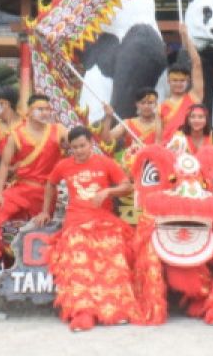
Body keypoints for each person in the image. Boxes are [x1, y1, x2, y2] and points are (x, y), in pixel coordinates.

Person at [32, 126, 136, 332]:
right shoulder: (63, 165)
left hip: (104, 221)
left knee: (113, 257)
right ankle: (82, 313)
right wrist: (46, 211)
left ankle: (115, 309)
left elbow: (127, 186)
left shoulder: (105, 163)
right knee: (80, 264)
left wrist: (108, 191)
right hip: (76, 223)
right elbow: (50, 185)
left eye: (82, 146)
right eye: (75, 147)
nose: (79, 150)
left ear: (91, 144)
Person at [0, 94, 66, 275]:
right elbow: (4, 165)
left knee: (45, 229)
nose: (45, 113)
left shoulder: (58, 130)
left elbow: (76, 144)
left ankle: (53, 269)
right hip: (22, 188)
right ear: (29, 112)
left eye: (47, 109)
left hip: (47, 191)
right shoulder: (16, 135)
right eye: (40, 109)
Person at [158, 26, 205, 138]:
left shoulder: (194, 97)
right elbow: (158, 139)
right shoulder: (161, 108)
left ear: (188, 81)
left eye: (182, 81)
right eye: (175, 80)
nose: (178, 84)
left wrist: (185, 37)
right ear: (169, 81)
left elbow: (197, 63)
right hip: (170, 151)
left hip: (192, 150)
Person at [99, 86, 162, 152]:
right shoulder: (128, 123)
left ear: (156, 104)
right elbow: (107, 139)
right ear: (137, 104)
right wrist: (108, 116)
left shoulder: (162, 124)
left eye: (150, 103)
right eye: (143, 103)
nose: (146, 106)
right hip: (131, 160)